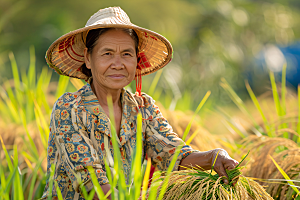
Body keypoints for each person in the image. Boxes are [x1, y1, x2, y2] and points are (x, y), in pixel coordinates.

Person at [41, 6, 238, 200]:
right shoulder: (70, 108)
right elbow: (92, 184)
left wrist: (214, 157)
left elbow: (172, 154)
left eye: (126, 54)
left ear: (136, 59)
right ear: (88, 58)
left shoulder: (142, 108)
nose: (118, 64)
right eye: (107, 53)